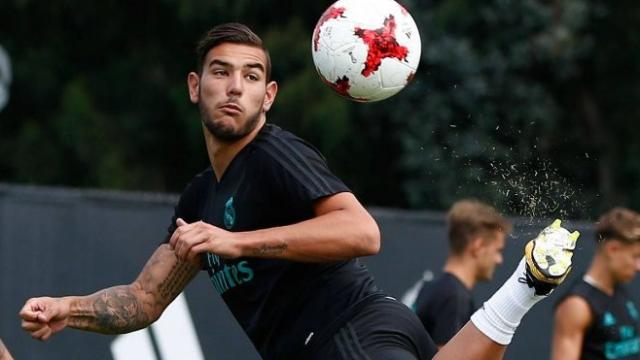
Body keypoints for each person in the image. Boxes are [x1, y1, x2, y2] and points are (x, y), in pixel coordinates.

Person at [19, 23, 580, 360]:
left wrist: (240, 243)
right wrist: (68, 309)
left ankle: (522, 291)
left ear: (269, 96)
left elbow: (362, 231)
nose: (235, 86)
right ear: (195, 87)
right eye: (220, 72)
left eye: (252, 75)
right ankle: (524, 288)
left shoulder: (273, 153)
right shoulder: (198, 199)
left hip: (347, 330)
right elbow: (143, 299)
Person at [412, 199, 511, 348]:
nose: (499, 260)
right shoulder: (454, 297)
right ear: (478, 246)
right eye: (498, 250)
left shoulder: (433, 288)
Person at [551, 207, 640, 360]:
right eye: (635, 256)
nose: (638, 266)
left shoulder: (620, 292)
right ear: (612, 249)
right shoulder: (577, 305)